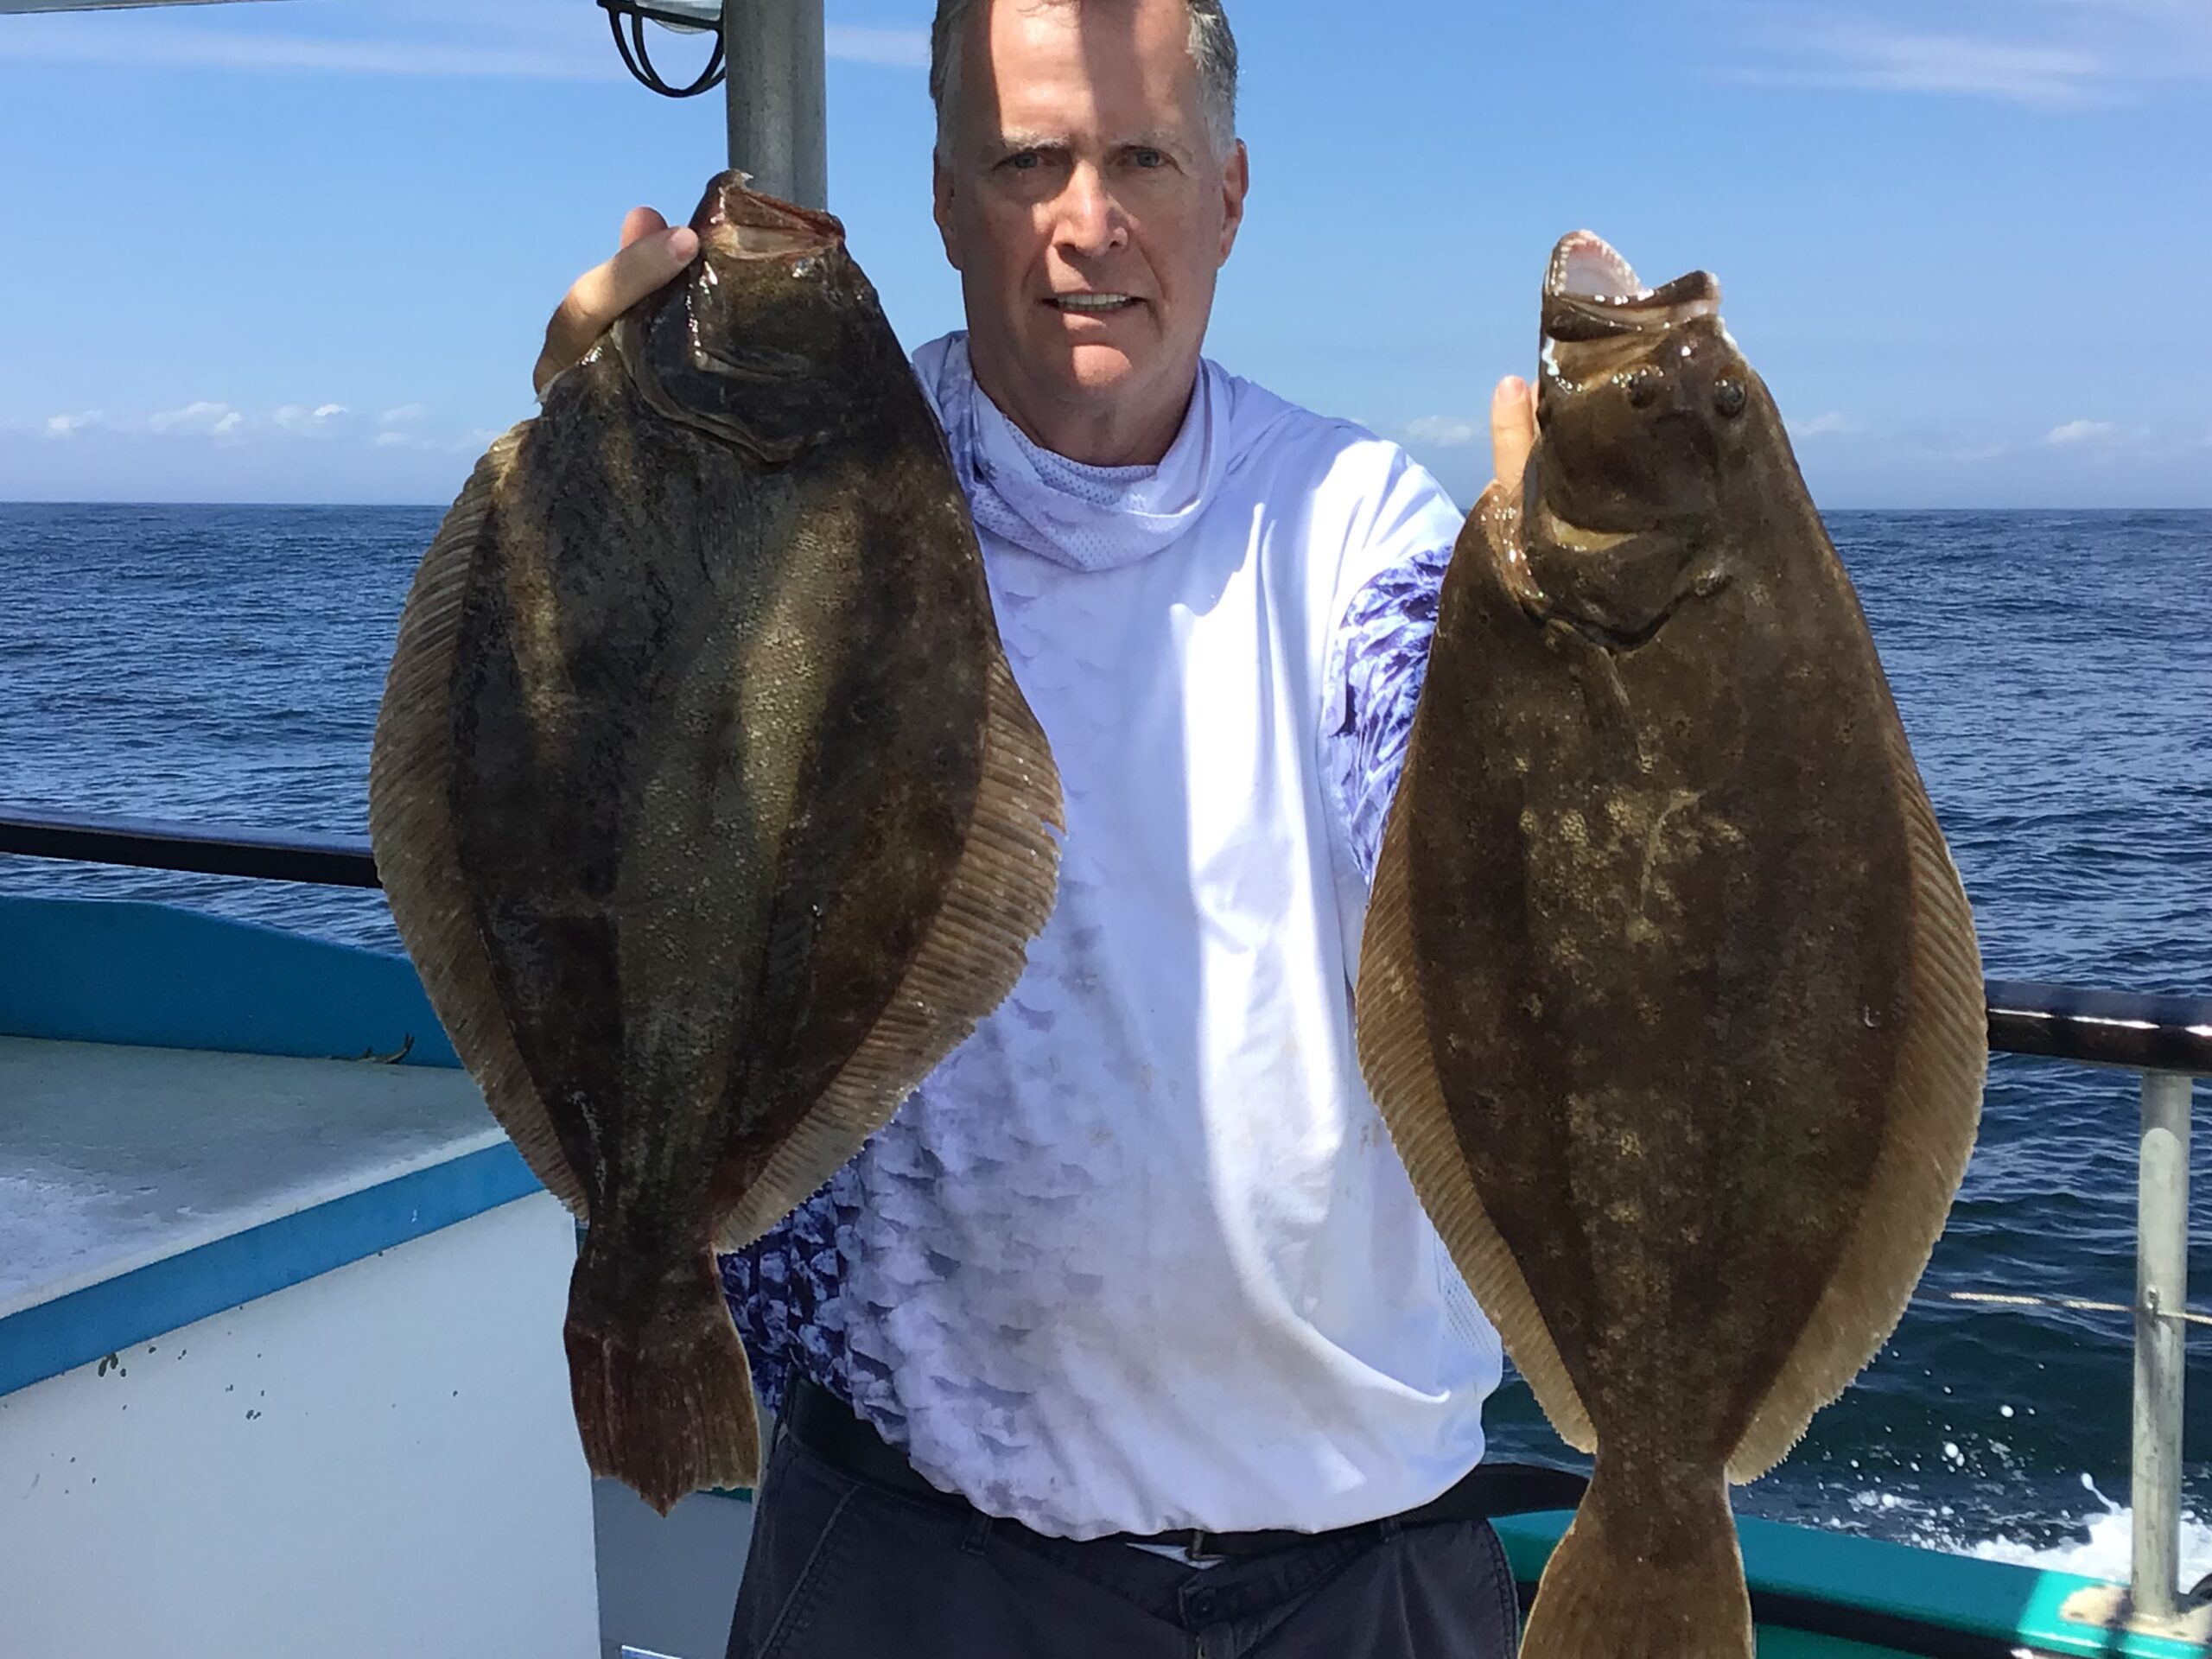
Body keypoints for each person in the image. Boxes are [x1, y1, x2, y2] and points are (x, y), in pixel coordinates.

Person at [537, 2, 1542, 1654]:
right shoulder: (793, 487)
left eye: (1143, 156)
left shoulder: (1361, 522)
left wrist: (1556, 664)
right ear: (943, 202)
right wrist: (596, 479)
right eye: (1030, 164)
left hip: (1364, 1549)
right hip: (916, 1531)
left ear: (1227, 195)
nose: (1092, 223)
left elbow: (1450, 834)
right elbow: (599, 800)